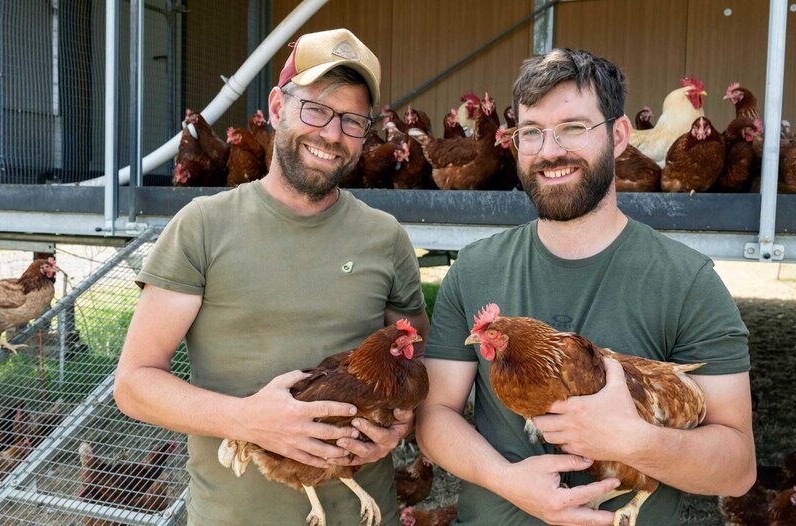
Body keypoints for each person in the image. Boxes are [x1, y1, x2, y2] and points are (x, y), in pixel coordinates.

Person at [415, 48, 756, 526]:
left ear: (618, 136)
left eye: (573, 128)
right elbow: (434, 417)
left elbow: (738, 468)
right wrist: (504, 479)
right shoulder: (476, 268)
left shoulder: (686, 281)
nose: (550, 150)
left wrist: (634, 440)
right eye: (531, 132)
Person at [114, 28, 428, 526]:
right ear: (279, 106)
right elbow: (134, 384)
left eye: (352, 120)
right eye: (317, 109)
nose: (331, 134)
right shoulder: (203, 225)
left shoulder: (385, 237)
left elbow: (415, 360)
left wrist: (403, 421)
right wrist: (250, 420)